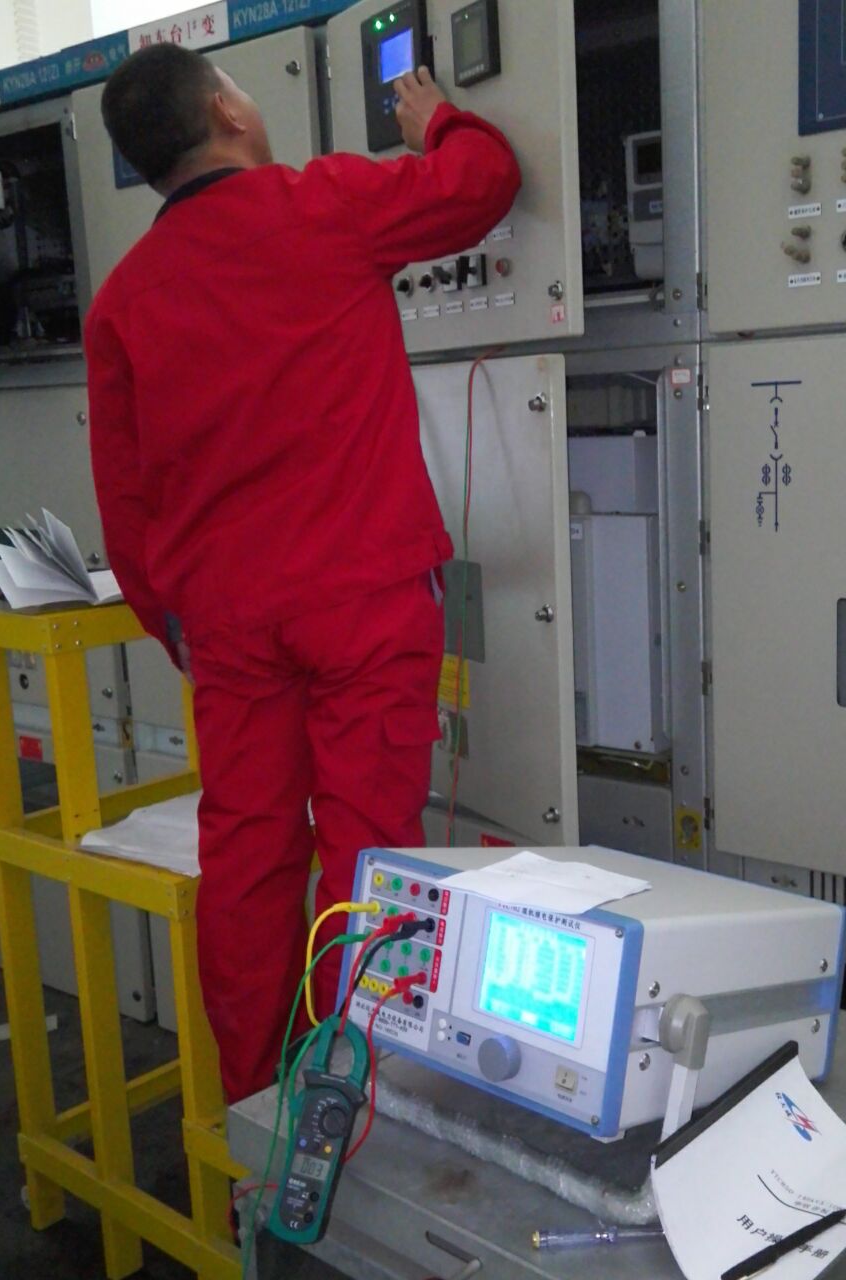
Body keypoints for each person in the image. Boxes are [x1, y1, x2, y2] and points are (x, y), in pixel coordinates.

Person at [86, 42, 520, 1102]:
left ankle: (256, 1110)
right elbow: (484, 184)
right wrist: (438, 123)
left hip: (229, 626)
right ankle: (356, 1107)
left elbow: (125, 503)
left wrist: (182, 630)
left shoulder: (123, 300)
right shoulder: (321, 205)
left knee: (247, 859)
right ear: (229, 112)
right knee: (370, 858)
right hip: (364, 600)